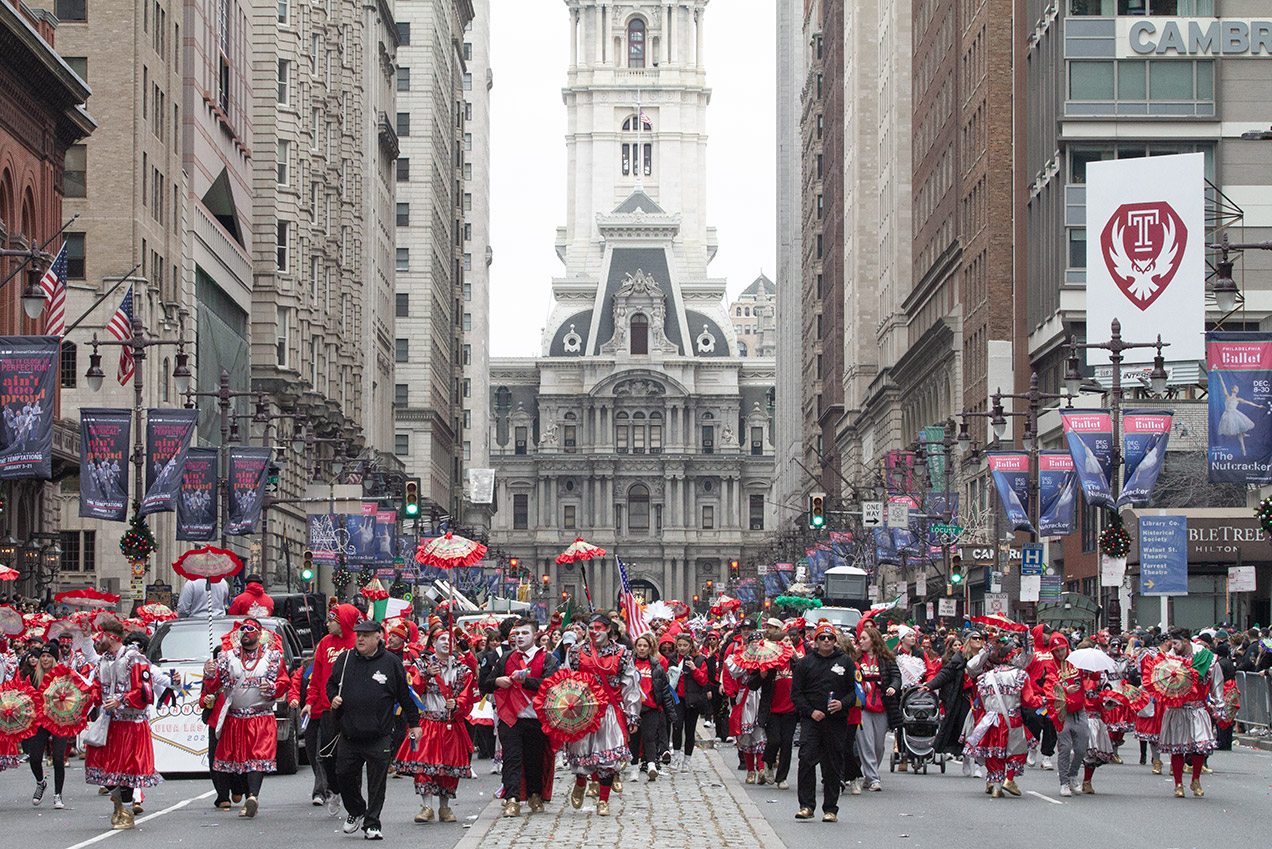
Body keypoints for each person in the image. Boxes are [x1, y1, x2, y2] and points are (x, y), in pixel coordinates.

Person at [328, 618, 422, 839]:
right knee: (343, 776)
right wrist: (333, 697)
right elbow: (331, 684)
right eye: (358, 634)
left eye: (366, 635)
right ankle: (356, 810)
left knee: (377, 782)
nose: (360, 638)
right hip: (349, 733)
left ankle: (372, 823)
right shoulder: (345, 659)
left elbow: (404, 695)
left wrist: (415, 723)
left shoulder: (390, 662)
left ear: (378, 637)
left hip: (379, 733)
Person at [200, 618, 290, 818]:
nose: (245, 632)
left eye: (250, 629)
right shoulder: (227, 658)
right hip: (235, 719)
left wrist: (273, 688)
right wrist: (208, 673)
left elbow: (284, 682)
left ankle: (253, 797)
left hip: (260, 717)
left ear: (259, 634)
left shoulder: (272, 658)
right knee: (240, 761)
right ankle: (245, 794)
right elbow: (214, 686)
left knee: (257, 758)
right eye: (242, 629)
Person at [84, 617, 161, 830]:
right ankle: (118, 803)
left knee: (126, 768)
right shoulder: (104, 660)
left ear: (111, 637)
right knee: (103, 769)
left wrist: (121, 700)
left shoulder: (134, 659)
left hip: (130, 722)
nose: (97, 640)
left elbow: (144, 690)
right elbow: (98, 688)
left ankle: (127, 810)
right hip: (109, 722)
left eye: (100, 636)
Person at [395, 625, 476, 824]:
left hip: (449, 722)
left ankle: (445, 806)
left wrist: (458, 703)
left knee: (448, 767)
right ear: (432, 643)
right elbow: (410, 690)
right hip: (428, 723)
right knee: (424, 767)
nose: (447, 643)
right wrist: (425, 676)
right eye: (442, 639)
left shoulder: (462, 668)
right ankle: (426, 806)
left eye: (451, 640)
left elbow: (469, 694)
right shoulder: (421, 665)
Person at [562, 612, 641, 816]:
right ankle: (581, 782)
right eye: (591, 628)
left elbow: (630, 685)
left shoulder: (622, 654)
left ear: (608, 630)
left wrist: (632, 713)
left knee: (608, 757)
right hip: (582, 711)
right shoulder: (575, 652)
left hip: (609, 711)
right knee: (581, 754)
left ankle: (603, 800)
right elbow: (566, 680)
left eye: (599, 628)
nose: (594, 632)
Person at [479, 617, 558, 817]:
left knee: (534, 760)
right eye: (517, 634)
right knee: (511, 758)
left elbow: (550, 685)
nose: (520, 637)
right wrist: (498, 680)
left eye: (525, 633)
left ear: (535, 636)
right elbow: (484, 683)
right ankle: (511, 799)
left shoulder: (548, 659)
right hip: (510, 716)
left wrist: (525, 682)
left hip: (536, 717)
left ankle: (534, 794)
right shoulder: (506, 658)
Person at [791, 622, 855, 822]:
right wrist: (811, 712)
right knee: (807, 761)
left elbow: (855, 692)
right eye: (822, 638)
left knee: (832, 765)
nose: (826, 641)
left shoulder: (846, 662)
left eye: (830, 638)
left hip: (836, 721)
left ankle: (830, 809)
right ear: (815, 641)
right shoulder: (805, 663)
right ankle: (806, 806)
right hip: (812, 720)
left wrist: (842, 704)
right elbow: (796, 694)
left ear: (835, 640)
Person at [1154, 629, 1222, 798]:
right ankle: (1178, 783)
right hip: (1176, 708)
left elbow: (1216, 683)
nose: (1173, 647)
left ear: (1185, 641)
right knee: (1177, 748)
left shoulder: (1207, 659)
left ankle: (1195, 779)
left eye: (1176, 643)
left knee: (1200, 746)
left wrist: (1219, 705)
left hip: (1197, 708)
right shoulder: (1167, 660)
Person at [305, 603, 359, 811]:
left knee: (353, 756)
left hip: (353, 709)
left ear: (343, 621)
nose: (327, 624)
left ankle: (353, 798)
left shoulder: (356, 641)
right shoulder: (325, 643)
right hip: (328, 709)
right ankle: (334, 790)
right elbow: (316, 676)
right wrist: (310, 702)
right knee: (327, 754)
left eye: (332, 620)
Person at [22, 643, 76, 808]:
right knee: (35, 757)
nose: (45, 659)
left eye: (48, 656)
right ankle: (41, 783)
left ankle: (58, 794)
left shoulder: (63, 676)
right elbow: (24, 696)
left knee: (58, 759)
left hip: (60, 720)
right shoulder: (32, 677)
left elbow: (74, 693)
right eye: (43, 656)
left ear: (54, 659)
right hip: (39, 722)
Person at [923, 631, 983, 777]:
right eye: (975, 638)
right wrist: (930, 685)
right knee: (968, 731)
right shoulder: (960, 658)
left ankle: (978, 764)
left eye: (980, 638)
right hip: (965, 699)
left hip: (983, 699)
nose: (978, 640)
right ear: (968, 641)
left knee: (981, 731)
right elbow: (945, 674)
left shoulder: (986, 657)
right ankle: (968, 759)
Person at [855, 624, 901, 791]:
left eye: (864, 639)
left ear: (873, 640)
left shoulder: (887, 659)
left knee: (879, 745)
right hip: (863, 706)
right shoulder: (857, 658)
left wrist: (893, 687)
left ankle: (869, 775)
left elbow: (896, 677)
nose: (861, 641)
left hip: (882, 705)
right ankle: (874, 778)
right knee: (865, 742)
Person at [631, 634, 676, 781]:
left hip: (651, 707)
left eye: (645, 646)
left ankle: (651, 764)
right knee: (634, 738)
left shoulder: (656, 667)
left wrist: (671, 713)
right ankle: (634, 767)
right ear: (635, 647)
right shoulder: (629, 664)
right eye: (640, 646)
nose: (642, 649)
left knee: (650, 737)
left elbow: (664, 691)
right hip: (633, 708)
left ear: (650, 648)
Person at [759, 628, 798, 788]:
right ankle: (768, 763)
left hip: (790, 709)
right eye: (785, 642)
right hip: (772, 710)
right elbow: (753, 684)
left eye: (790, 641)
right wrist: (761, 676)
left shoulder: (795, 663)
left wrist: (795, 656)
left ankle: (781, 778)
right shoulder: (769, 664)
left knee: (787, 743)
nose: (789, 644)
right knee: (775, 740)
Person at [672, 633, 710, 772]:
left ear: (690, 646)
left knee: (690, 730)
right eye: (680, 645)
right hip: (677, 698)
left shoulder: (699, 660)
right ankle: (676, 755)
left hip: (693, 698)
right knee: (677, 726)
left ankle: (687, 759)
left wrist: (694, 669)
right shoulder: (673, 659)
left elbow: (703, 680)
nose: (682, 648)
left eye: (685, 646)